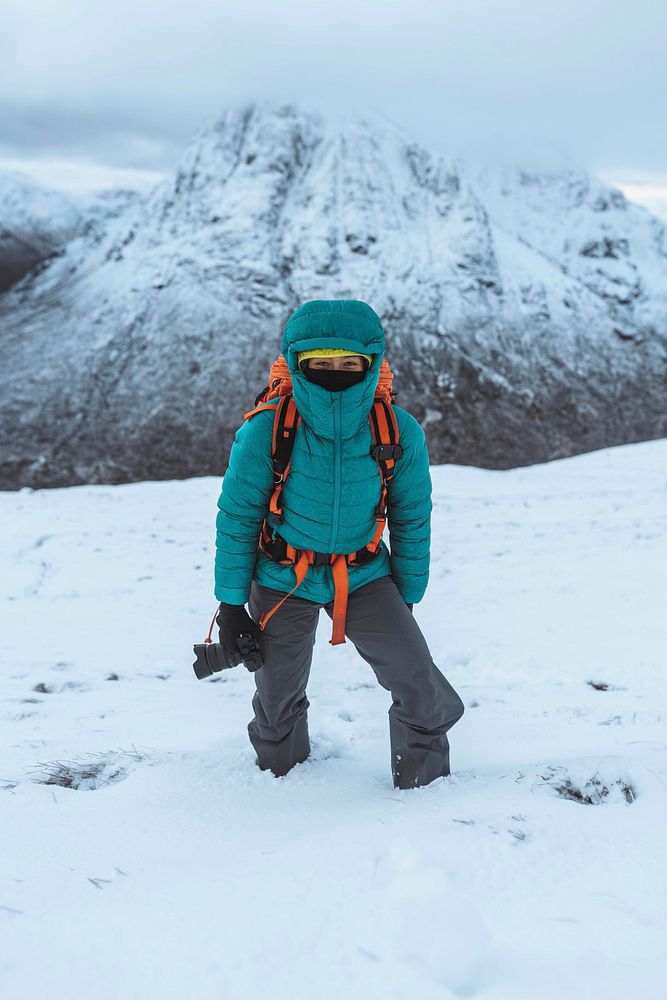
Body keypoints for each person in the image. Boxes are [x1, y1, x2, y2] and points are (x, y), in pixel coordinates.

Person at [214, 299, 464, 788]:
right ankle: (278, 786)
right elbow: (238, 516)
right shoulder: (266, 429)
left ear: (371, 363)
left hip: (366, 575)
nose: (335, 372)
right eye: (321, 363)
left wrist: (407, 596)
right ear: (298, 361)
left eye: (350, 363)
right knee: (276, 697)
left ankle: (427, 792)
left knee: (418, 681)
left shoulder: (398, 431)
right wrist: (230, 604)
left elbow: (413, 518)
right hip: (284, 576)